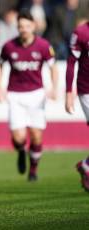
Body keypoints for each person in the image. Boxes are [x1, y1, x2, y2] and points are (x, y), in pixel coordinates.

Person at [0, 10, 58, 182]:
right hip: (15, 95)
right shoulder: (9, 46)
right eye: (20, 26)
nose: (23, 29)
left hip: (36, 95)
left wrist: (53, 87)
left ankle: (33, 171)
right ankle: (21, 150)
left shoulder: (43, 46)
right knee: (18, 138)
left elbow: (53, 67)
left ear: (34, 27)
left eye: (27, 26)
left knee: (36, 135)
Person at [65, 19, 89, 193]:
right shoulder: (80, 33)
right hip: (87, 89)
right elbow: (71, 62)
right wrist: (68, 91)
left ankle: (86, 165)